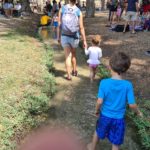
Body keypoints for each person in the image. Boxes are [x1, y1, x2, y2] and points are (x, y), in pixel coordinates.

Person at [87, 52, 143, 150]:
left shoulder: (104, 83)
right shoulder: (127, 85)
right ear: (126, 69)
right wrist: (139, 113)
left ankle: (92, 146)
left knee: (97, 131)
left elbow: (99, 101)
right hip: (119, 119)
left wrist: (96, 111)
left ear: (110, 66)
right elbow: (132, 104)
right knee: (115, 143)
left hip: (104, 116)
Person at [57, 0, 87, 80]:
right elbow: (81, 27)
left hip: (64, 35)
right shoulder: (78, 11)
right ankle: (74, 71)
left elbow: (59, 24)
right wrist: (84, 40)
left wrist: (58, 37)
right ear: (76, 1)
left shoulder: (62, 9)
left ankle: (69, 76)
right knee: (73, 54)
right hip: (74, 36)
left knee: (67, 56)